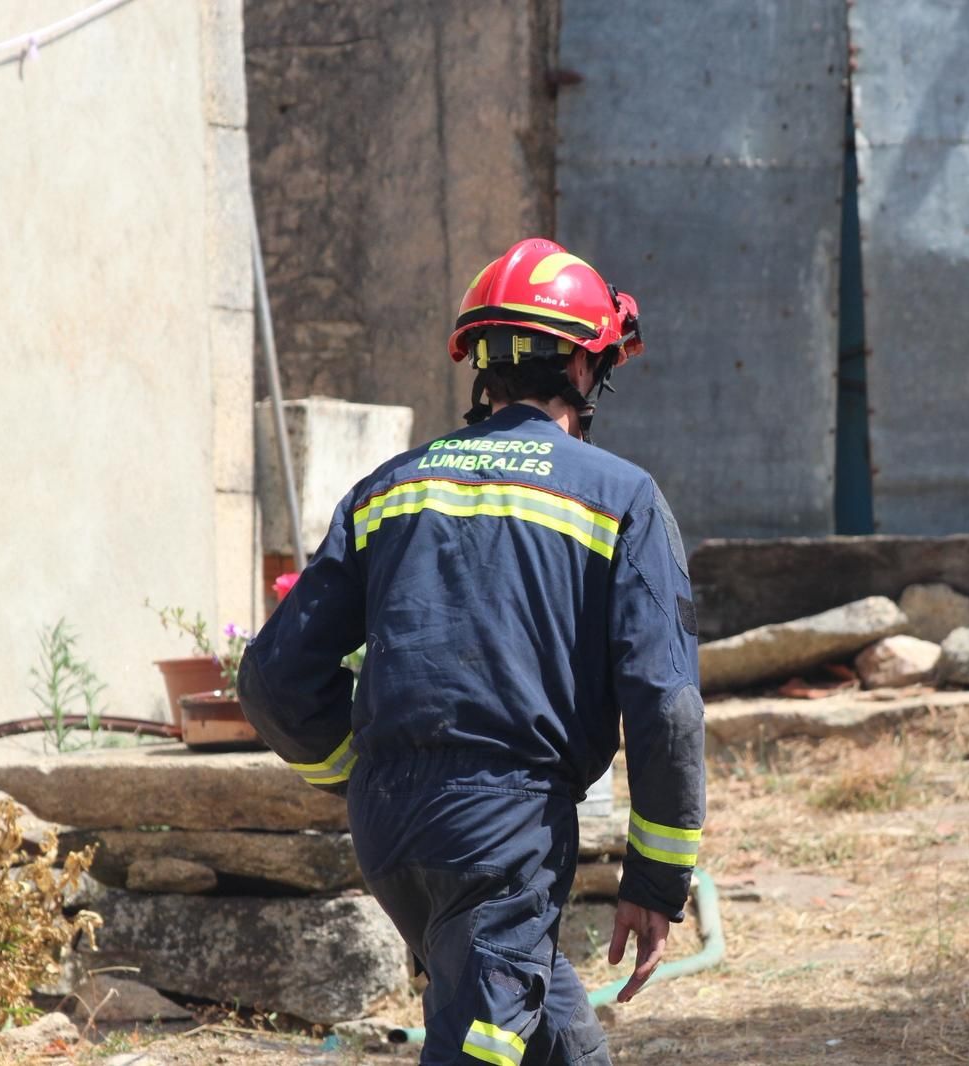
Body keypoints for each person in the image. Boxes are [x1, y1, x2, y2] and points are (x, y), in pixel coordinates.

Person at [238, 238, 706, 1066]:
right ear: (583, 365)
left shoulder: (389, 488)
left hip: (388, 829)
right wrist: (658, 880)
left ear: (482, 364)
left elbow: (275, 681)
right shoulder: (619, 496)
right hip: (504, 831)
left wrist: (356, 769)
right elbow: (664, 704)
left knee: (552, 1031)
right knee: (482, 1043)